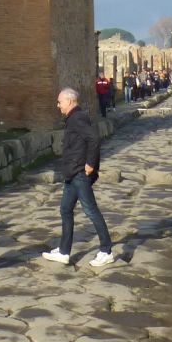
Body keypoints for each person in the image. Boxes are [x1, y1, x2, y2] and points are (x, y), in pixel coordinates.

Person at [42, 87, 116, 267]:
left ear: (69, 101)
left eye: (60, 102)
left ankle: (106, 250)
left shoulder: (77, 118)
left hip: (79, 174)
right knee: (65, 210)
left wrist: (90, 164)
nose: (58, 105)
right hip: (72, 173)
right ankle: (64, 251)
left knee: (91, 211)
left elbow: (93, 139)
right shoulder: (73, 118)